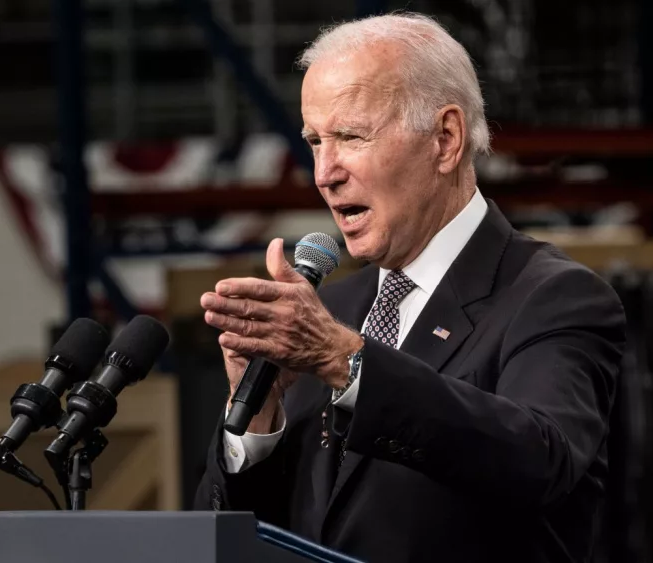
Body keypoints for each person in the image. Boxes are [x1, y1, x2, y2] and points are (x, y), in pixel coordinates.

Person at [194, 12, 626, 563]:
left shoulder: (553, 297)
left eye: (351, 136)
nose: (324, 173)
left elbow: (541, 460)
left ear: (445, 140)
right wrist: (257, 417)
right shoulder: (330, 312)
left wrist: (344, 360)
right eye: (315, 141)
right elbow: (240, 536)